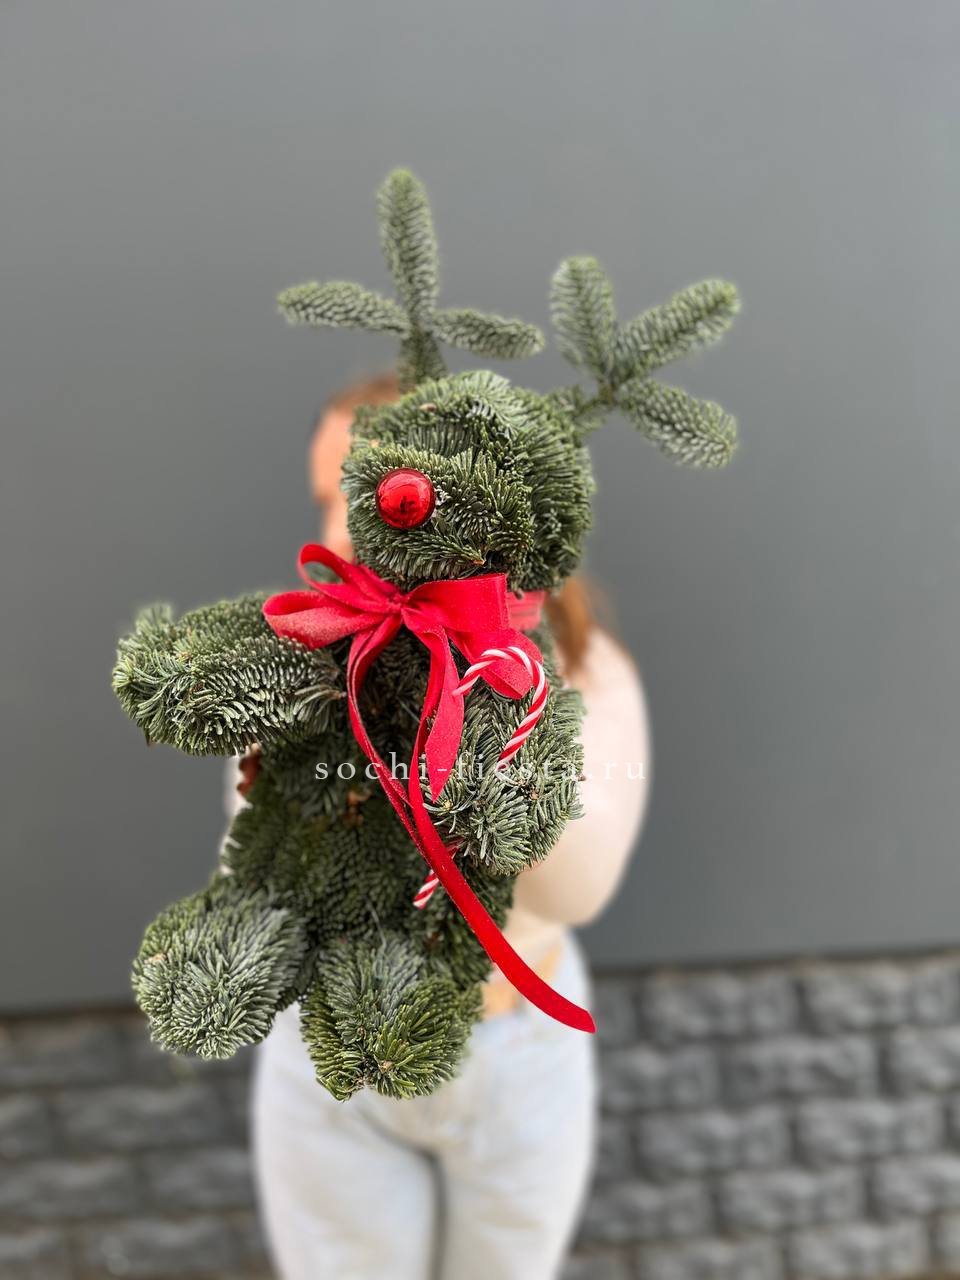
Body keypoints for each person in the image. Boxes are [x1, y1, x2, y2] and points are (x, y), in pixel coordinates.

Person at [242, 375, 651, 1280]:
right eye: (323, 499)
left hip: (514, 1051)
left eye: (365, 497)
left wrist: (461, 720)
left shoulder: (581, 670)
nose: (334, 535)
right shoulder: (302, 662)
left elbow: (579, 885)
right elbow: (261, 862)